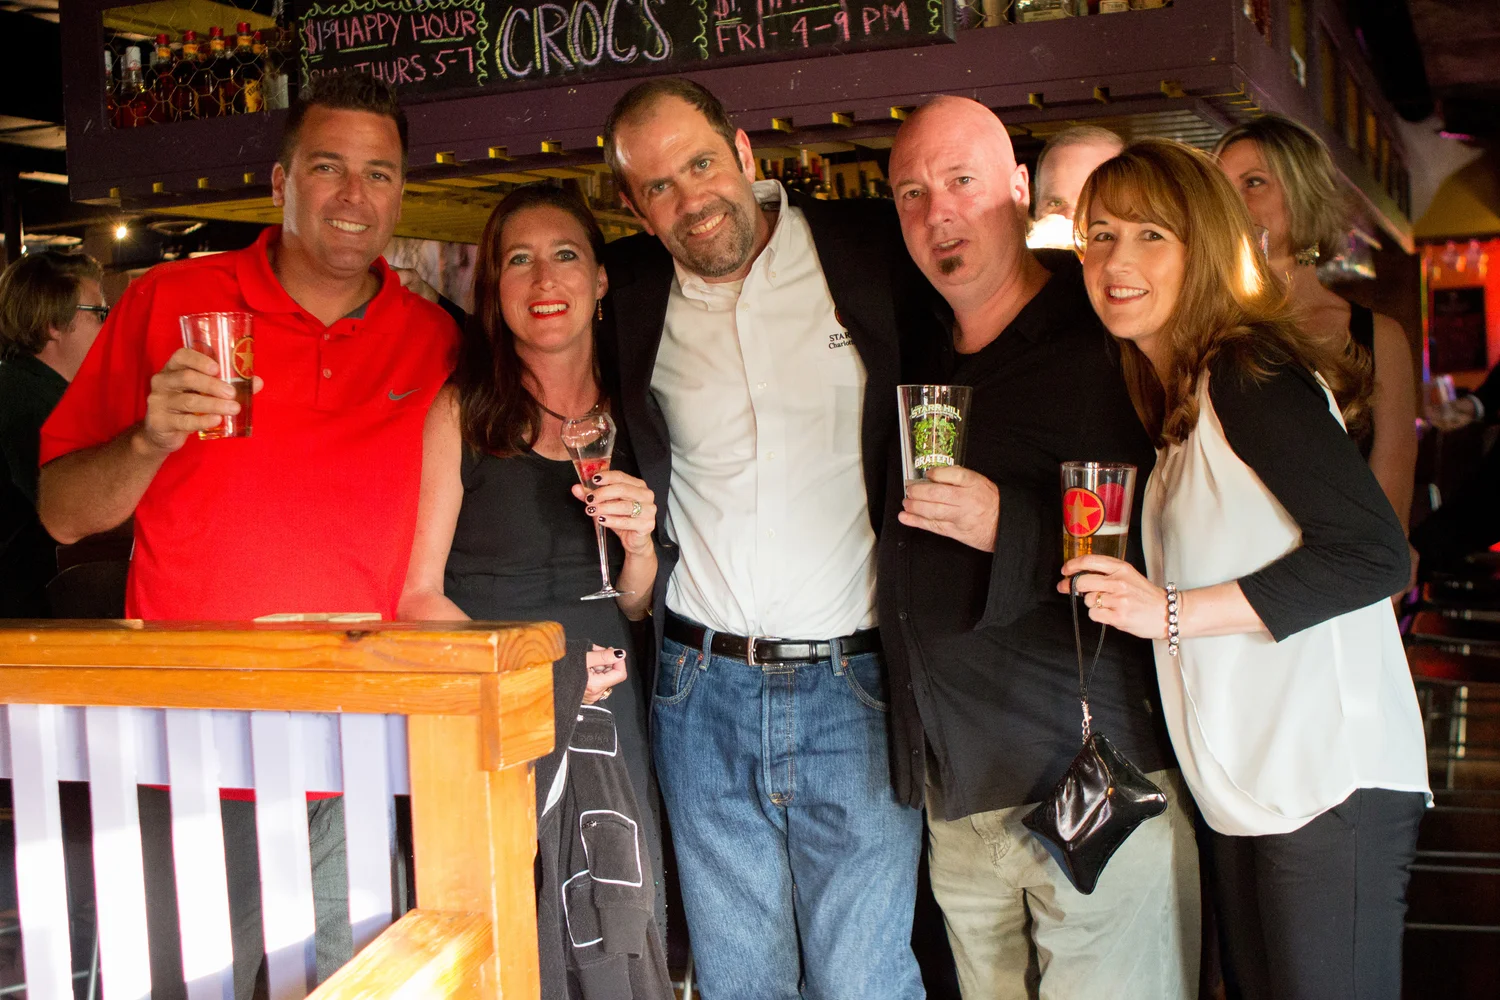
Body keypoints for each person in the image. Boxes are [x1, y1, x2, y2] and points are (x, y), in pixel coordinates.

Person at [37, 71, 458, 999]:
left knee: (356, 990)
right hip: (192, 751)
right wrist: (148, 440)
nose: (354, 196)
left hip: (358, 755)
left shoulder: (433, 338)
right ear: (280, 183)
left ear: (401, 194)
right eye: (328, 167)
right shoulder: (170, 301)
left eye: (380, 174)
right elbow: (62, 510)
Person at [1064, 138, 1429, 1000]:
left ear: (1206, 249)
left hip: (1325, 780)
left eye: (1151, 235)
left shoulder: (1246, 370)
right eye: (1100, 235)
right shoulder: (1182, 401)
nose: (1116, 260)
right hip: (1248, 786)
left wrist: (1168, 610)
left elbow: (1374, 554)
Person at [599, 77, 928, 1000]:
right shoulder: (629, 292)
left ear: (745, 153)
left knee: (865, 981)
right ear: (633, 206)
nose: (690, 198)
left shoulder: (865, 253)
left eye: (702, 164)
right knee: (739, 982)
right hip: (698, 691)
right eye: (658, 186)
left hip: (856, 686)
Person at [881, 96, 1197, 1000]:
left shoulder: (1108, 341)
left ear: (1020, 189)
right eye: (912, 193)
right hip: (958, 801)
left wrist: (1009, 524)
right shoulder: (909, 350)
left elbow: (1181, 547)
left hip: (1089, 780)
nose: (939, 212)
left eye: (962, 181)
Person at [396, 184, 670, 998]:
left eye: (565, 256)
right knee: (516, 927)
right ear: (495, 290)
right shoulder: (463, 411)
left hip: (611, 701)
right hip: (501, 708)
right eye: (519, 260)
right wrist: (536, 679)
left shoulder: (638, 415)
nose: (544, 279)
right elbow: (417, 597)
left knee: (618, 916)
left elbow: (633, 605)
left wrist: (639, 544)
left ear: (600, 280)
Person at [1215, 115, 1418, 542]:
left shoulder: (1379, 337)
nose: (1231, 203)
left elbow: (1391, 496)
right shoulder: (1205, 326)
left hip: (1340, 569)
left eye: (1253, 183)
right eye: (1220, 187)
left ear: (1302, 195)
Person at [0, 250, 107, 616]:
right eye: (99, 314)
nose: (108, 328)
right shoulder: (26, 400)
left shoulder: (29, 386)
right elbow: (75, 521)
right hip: (26, 614)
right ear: (53, 324)